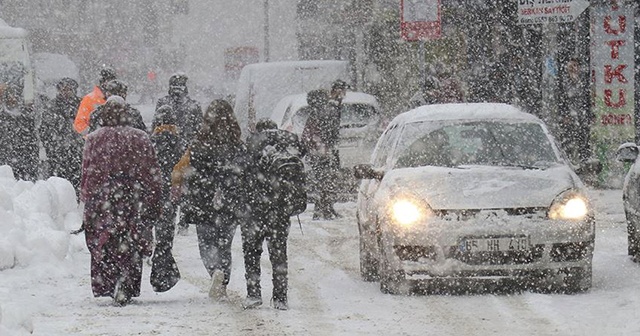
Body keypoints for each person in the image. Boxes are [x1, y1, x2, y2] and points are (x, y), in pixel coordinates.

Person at [80, 95, 162, 306]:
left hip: (104, 200)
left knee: (106, 243)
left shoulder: (94, 139)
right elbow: (151, 172)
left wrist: (87, 199)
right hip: (133, 200)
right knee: (131, 242)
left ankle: (109, 282)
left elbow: (88, 174)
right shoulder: (140, 138)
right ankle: (126, 281)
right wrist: (153, 198)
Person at [173, 99, 248, 300]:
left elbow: (187, 171)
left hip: (202, 200)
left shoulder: (198, 144)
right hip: (229, 201)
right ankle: (223, 279)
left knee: (207, 243)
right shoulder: (238, 145)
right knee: (225, 243)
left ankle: (214, 270)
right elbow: (242, 174)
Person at [242, 118, 306, 310]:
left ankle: (254, 293)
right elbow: (304, 153)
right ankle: (280, 297)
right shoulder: (288, 146)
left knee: (252, 252)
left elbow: (241, 173)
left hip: (254, 208)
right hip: (280, 209)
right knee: (278, 253)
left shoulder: (252, 145)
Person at [155, 72, 203, 235]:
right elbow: (199, 129)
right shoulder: (193, 105)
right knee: (184, 185)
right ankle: (183, 220)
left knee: (168, 184)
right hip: (185, 150)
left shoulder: (163, 103)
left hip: (165, 151)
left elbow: (156, 126)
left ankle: (168, 214)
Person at [148, 105, 183, 291]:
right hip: (171, 193)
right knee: (165, 233)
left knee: (152, 228)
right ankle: (162, 269)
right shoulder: (179, 143)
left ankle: (153, 257)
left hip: (151, 192)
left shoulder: (150, 142)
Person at [301, 88, 341, 220]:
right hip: (325, 151)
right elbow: (331, 133)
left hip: (318, 152)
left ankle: (321, 208)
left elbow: (308, 135)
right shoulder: (327, 112)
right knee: (328, 180)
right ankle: (325, 208)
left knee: (321, 180)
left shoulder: (315, 113)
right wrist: (328, 147)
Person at [39, 77, 84, 192]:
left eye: (69, 89)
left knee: (77, 183)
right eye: (64, 89)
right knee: (57, 184)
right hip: (57, 154)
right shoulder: (51, 106)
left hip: (77, 152)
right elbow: (44, 130)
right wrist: (51, 147)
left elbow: (87, 127)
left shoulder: (81, 106)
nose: (66, 92)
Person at [0, 80, 39, 181]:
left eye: (15, 95)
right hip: (6, 159)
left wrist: (32, 158)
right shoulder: (3, 116)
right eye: (9, 96)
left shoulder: (26, 115)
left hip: (24, 159)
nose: (13, 99)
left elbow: (32, 139)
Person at [559, 57, 592, 165]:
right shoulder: (563, 81)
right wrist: (564, 114)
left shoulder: (583, 81)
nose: (574, 68)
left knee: (583, 140)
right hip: (568, 115)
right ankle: (568, 162)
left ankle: (584, 162)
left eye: (576, 66)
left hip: (581, 114)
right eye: (572, 66)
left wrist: (589, 114)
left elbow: (587, 99)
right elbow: (561, 99)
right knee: (567, 140)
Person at [74, 66, 117, 136]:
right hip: (95, 143)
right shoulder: (89, 99)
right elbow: (79, 124)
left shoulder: (117, 99)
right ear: (102, 82)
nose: (109, 84)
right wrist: (95, 134)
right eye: (107, 80)